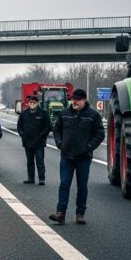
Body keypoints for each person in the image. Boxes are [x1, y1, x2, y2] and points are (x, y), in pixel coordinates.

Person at [49, 89, 104, 225]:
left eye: (77, 99)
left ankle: (80, 214)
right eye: (73, 99)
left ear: (84, 100)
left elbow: (100, 134)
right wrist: (59, 143)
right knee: (64, 184)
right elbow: (56, 130)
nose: (74, 101)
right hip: (67, 156)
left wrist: (89, 147)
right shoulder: (64, 113)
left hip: (84, 158)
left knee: (82, 186)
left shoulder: (93, 115)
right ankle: (60, 213)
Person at [17, 95, 52, 185]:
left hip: (39, 142)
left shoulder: (43, 113)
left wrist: (41, 137)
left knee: (40, 161)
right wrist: (23, 136)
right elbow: (19, 126)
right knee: (29, 161)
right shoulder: (24, 113)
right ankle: (30, 178)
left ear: (37, 103)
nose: (32, 104)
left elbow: (48, 127)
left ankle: (41, 179)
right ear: (28, 103)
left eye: (34, 103)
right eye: (30, 102)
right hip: (27, 142)